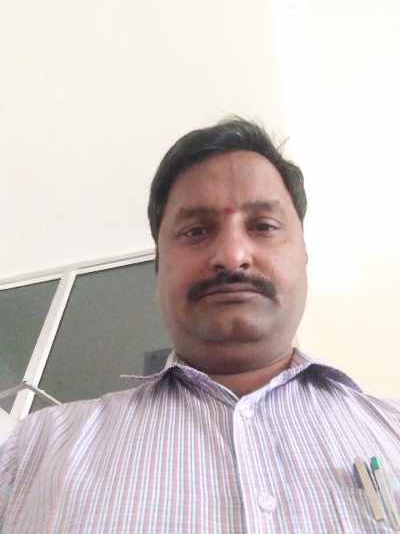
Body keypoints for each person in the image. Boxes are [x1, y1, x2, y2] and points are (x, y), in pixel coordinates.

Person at [1, 118, 399, 534]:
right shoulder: (29, 452)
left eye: (263, 226)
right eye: (195, 231)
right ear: (159, 269)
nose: (232, 255)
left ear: (303, 254)